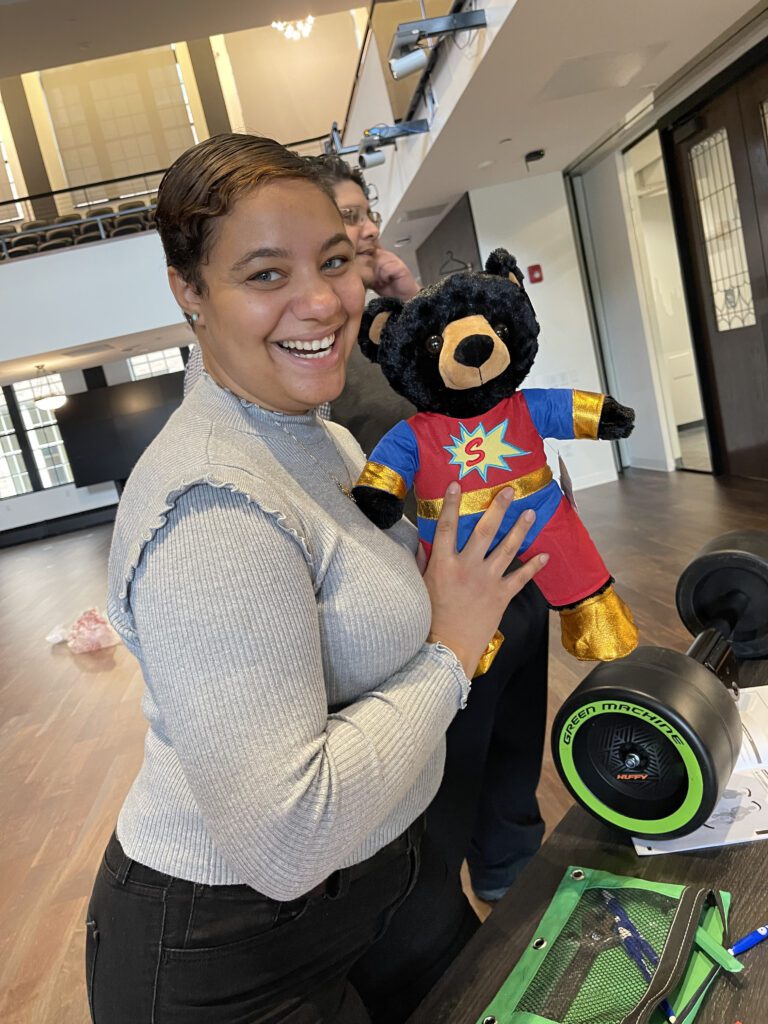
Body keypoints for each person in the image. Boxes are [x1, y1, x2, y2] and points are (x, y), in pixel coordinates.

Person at [85, 133, 547, 1024]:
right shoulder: (211, 510)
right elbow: (287, 839)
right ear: (191, 291)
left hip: (383, 892)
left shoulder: (320, 437)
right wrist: (451, 646)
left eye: (335, 261)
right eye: (265, 275)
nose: (322, 301)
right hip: (229, 955)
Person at [307, 154, 552, 904]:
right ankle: (441, 920)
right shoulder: (324, 360)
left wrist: (414, 295)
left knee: (516, 743)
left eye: (366, 209)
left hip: (518, 564)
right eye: (347, 217)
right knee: (455, 762)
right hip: (435, 595)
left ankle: (517, 875)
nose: (369, 226)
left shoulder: (421, 319)